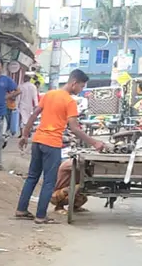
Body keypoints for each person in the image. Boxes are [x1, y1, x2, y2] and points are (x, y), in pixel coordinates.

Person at [16, 68, 108, 224]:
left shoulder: (50, 94)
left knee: (32, 177)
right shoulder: (69, 101)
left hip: (38, 140)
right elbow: (74, 128)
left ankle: (21, 209)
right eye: (82, 86)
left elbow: (34, 114)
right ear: (74, 83)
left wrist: (25, 135)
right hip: (51, 143)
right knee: (49, 181)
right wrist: (95, 142)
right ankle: (40, 216)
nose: (81, 90)